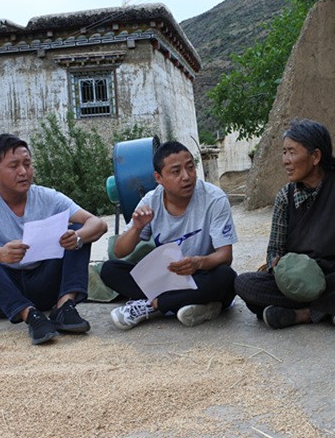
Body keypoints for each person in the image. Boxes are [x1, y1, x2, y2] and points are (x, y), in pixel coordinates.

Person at [0, 133, 107, 345]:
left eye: (27, 164)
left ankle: (64, 308)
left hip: (44, 287)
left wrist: (77, 237)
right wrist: (0, 254)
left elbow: (97, 223)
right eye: (14, 166)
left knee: (77, 232)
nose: (23, 172)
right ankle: (30, 315)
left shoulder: (47, 197)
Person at [234, 119, 335, 332]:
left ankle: (304, 314)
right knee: (244, 284)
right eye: (284, 152)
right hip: (302, 281)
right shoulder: (285, 197)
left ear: (316, 156)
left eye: (292, 152)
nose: (285, 161)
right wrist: (277, 265)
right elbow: (274, 250)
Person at [101, 141, 237, 330]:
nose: (186, 176)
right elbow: (119, 251)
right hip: (166, 278)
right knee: (109, 270)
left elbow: (225, 256)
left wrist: (198, 262)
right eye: (176, 171)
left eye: (190, 167)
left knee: (226, 277)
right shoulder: (151, 201)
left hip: (201, 274)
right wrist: (136, 228)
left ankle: (153, 305)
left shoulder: (214, 199)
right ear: (159, 178)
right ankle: (194, 304)